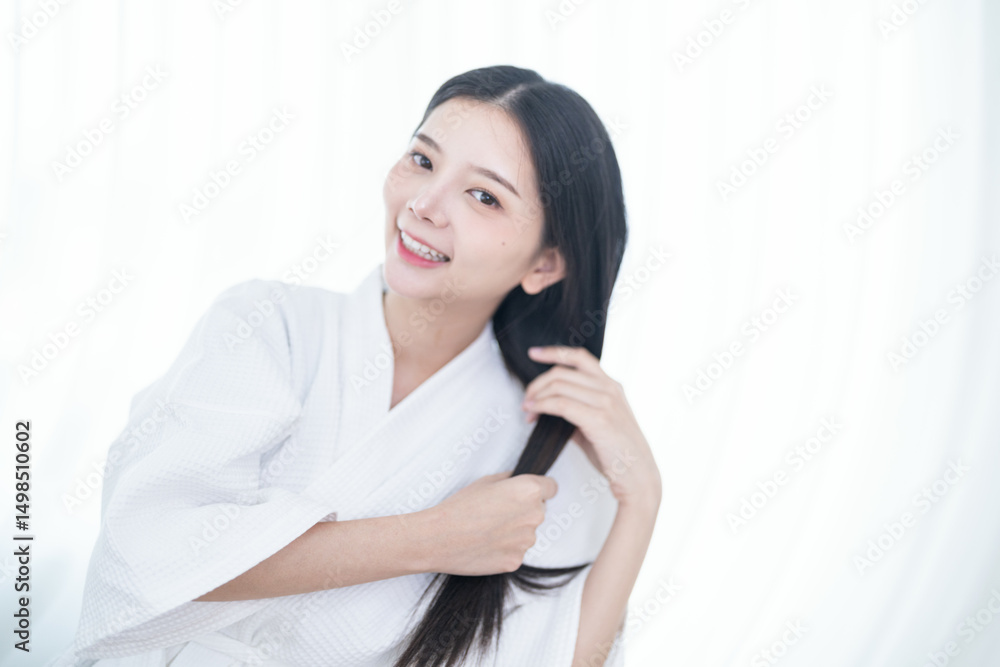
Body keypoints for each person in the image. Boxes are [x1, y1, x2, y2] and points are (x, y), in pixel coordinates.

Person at [49, 64, 661, 667]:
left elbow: (559, 657)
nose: (423, 204)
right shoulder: (270, 326)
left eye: (484, 196)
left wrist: (643, 498)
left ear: (544, 265)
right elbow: (145, 550)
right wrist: (436, 536)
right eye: (422, 160)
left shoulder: (541, 445)